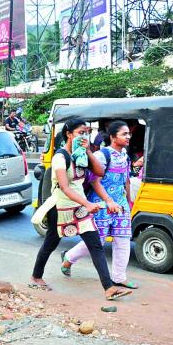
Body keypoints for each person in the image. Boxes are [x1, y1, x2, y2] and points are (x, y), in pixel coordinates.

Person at [30, 119, 131, 300]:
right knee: (51, 242)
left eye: (87, 133)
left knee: (95, 244)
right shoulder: (60, 157)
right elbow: (65, 187)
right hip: (60, 207)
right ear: (69, 134)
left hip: (79, 206)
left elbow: (100, 173)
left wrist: (88, 151)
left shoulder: (81, 156)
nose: (84, 136)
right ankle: (36, 276)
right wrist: (88, 204)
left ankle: (109, 288)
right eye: (80, 133)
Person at [62, 121, 138, 290]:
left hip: (121, 204)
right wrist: (108, 201)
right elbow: (95, 180)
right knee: (98, 241)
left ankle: (119, 277)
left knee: (123, 239)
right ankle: (69, 257)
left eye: (129, 134)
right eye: (124, 134)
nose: (128, 137)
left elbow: (125, 180)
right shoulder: (103, 155)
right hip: (101, 204)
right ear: (112, 137)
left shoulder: (125, 155)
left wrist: (128, 201)